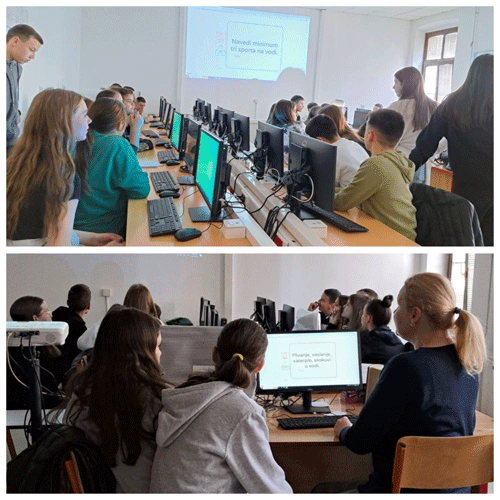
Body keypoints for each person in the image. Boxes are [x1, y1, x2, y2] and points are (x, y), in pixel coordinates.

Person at [329, 272, 487, 493]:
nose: (394, 313)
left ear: (414, 314)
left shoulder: (405, 367)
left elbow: (360, 442)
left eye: (399, 306)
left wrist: (344, 429)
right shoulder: (468, 364)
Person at [150, 318, 292, 493]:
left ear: (213, 354)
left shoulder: (185, 396)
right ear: (259, 366)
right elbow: (273, 491)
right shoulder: (242, 413)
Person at [65, 307, 169, 493]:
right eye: (157, 346)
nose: (160, 353)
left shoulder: (81, 392)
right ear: (141, 352)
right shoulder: (156, 399)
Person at [7, 89, 123, 246]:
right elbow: (59, 251)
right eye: (84, 115)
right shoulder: (64, 178)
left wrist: (93, 238)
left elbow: (38, 232)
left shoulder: (14, 165)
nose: (89, 120)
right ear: (65, 122)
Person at [409, 54, 493, 246]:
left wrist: (404, 171)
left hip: (465, 189)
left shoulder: (452, 105)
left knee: (466, 237)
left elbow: (425, 146)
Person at [333, 109, 417, 242]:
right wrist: (326, 189)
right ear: (399, 139)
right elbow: (352, 191)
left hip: (392, 239)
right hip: (403, 236)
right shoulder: (397, 160)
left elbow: (343, 202)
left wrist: (315, 194)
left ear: (370, 136)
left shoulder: (376, 165)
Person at [73, 97, 150, 238]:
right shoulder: (117, 144)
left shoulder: (78, 140)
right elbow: (141, 190)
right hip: (106, 234)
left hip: (74, 234)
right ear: (121, 125)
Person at [7, 296, 61, 410]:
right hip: (39, 405)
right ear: (35, 318)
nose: (50, 315)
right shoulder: (39, 351)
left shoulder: (9, 348)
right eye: (46, 311)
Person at [77, 283, 158, 351]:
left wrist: (107, 317)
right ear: (150, 305)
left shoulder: (116, 324)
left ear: (126, 302)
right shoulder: (157, 327)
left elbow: (82, 343)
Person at [6, 24, 43, 151]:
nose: (33, 56)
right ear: (15, 41)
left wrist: (17, 113)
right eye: (31, 50)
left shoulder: (17, 68)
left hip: (11, 138)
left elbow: (12, 97)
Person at [305, 114, 368, 188]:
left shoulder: (331, 155)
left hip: (349, 194)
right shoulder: (354, 144)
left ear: (320, 140)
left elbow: (326, 186)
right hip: (366, 192)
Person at [387, 66, 438, 158]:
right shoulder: (434, 106)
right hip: (424, 161)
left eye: (396, 82)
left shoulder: (396, 107)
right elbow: (445, 139)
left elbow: (386, 141)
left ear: (404, 84)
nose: (393, 87)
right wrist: (433, 152)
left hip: (400, 160)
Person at [51, 284, 91, 382]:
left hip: (46, 372)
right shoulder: (82, 333)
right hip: (64, 378)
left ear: (67, 302)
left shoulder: (55, 316)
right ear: (88, 306)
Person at [359, 295, 413, 364]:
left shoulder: (361, 343)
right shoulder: (399, 343)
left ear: (367, 318)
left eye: (363, 313)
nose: (361, 316)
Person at [117, 87, 143, 152]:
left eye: (133, 101)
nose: (133, 104)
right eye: (129, 101)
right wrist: (135, 128)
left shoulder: (125, 124)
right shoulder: (117, 126)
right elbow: (131, 154)